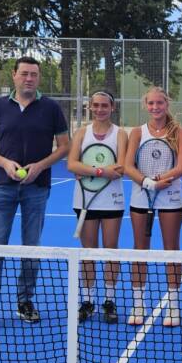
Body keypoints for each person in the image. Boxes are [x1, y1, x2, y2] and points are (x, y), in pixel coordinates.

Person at [0, 56, 70, 335]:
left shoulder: (51, 108)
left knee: (31, 248)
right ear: (14, 75)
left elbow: (65, 146)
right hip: (1, 187)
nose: (29, 78)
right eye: (24, 74)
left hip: (37, 189)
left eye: (34, 75)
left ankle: (24, 301)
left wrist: (40, 166)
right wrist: (4, 163)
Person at [123, 87, 182, 326]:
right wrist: (147, 182)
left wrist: (161, 180)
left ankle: (173, 306)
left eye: (159, 103)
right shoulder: (137, 133)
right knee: (140, 249)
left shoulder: (178, 132)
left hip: (170, 197)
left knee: (172, 250)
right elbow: (128, 166)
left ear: (166, 104)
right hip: (141, 196)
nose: (155, 107)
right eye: (151, 103)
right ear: (145, 105)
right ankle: (138, 304)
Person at [67, 91, 128, 323]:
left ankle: (109, 300)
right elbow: (72, 164)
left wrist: (86, 169)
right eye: (96, 105)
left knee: (110, 250)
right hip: (84, 201)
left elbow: (121, 167)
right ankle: (88, 301)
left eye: (104, 105)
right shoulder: (82, 133)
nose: (100, 109)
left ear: (112, 108)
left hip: (112, 201)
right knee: (89, 252)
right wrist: (100, 171)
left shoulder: (121, 134)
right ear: (90, 108)